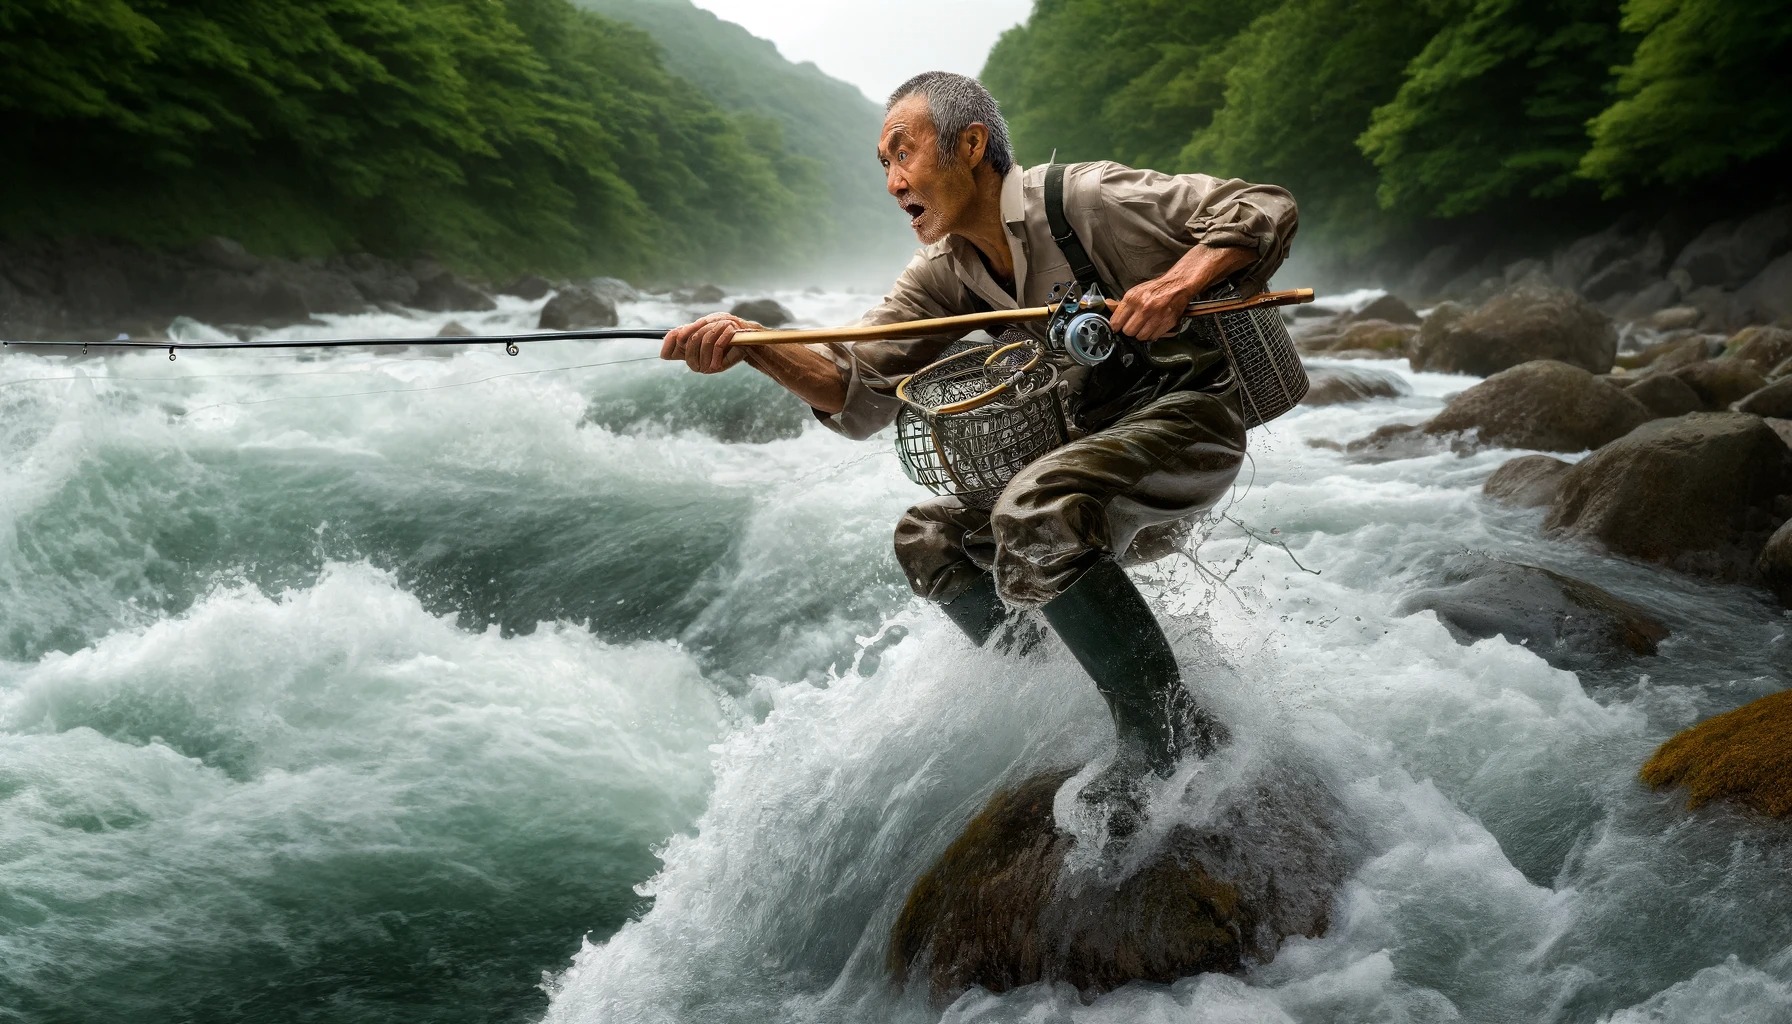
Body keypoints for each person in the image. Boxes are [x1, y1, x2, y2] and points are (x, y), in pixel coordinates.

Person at [661, 71, 1297, 786]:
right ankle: (1063, 695)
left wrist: (1178, 283)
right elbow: (856, 393)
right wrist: (757, 347)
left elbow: (1262, 204)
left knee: (1035, 508)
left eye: (903, 154)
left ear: (969, 145)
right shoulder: (939, 274)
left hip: (1192, 419)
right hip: (1089, 447)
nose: (894, 180)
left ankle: (1169, 736)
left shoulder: (1087, 200)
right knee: (928, 539)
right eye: (883, 165)